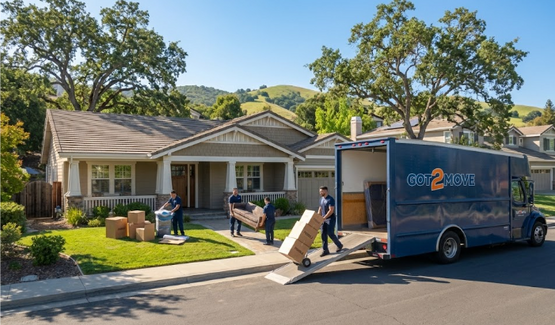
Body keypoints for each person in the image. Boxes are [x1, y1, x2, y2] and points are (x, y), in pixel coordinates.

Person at [318, 186, 343, 257]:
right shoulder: (321, 199)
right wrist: (317, 217)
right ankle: (325, 250)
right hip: (323, 219)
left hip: (330, 219)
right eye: (320, 191)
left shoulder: (330, 199)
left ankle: (339, 245)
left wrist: (324, 217)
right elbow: (320, 208)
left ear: (325, 191)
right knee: (323, 234)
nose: (320, 193)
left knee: (330, 233)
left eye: (321, 191)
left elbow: (331, 210)